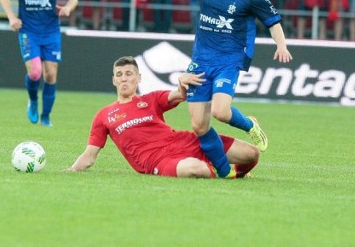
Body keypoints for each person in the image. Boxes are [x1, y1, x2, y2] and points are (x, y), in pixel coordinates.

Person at [149, 0, 293, 178]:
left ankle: (250, 125)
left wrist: (282, 45)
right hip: (201, 61)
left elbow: (273, 22)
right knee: (198, 126)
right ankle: (225, 172)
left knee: (221, 112)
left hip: (229, 60)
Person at [67, 56, 260, 178]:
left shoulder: (151, 99)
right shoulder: (104, 115)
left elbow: (180, 95)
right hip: (157, 160)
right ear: (114, 80)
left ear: (138, 78)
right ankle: (220, 169)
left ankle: (236, 175)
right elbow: (89, 156)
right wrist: (70, 171)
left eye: (128, 73)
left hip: (184, 142)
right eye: (119, 74)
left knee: (252, 154)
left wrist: (182, 81)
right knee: (196, 169)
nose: (124, 78)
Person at [0, 0, 78, 127]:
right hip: (28, 31)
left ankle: (46, 117)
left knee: (50, 74)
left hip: (50, 30)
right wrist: (11, 17)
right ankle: (33, 99)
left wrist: (68, 8)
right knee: (35, 73)